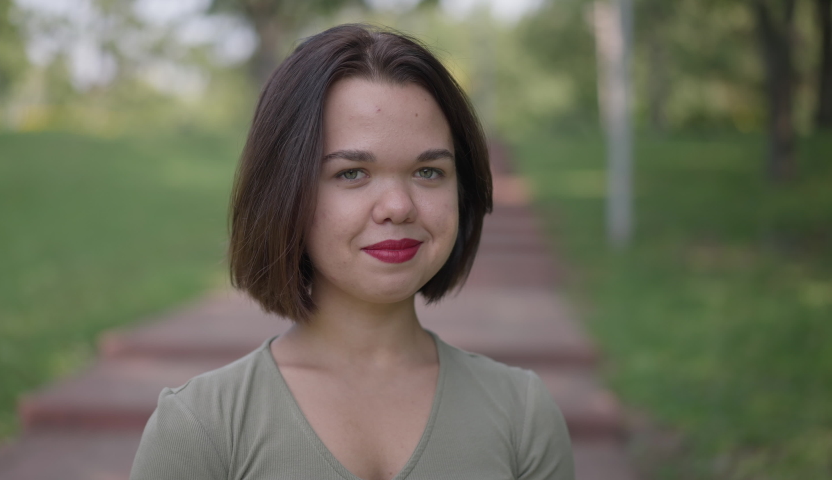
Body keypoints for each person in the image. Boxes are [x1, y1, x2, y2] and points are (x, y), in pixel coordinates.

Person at [129, 24, 575, 480]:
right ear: (284, 192)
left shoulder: (523, 415)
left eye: (427, 172)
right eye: (352, 173)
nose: (399, 207)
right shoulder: (200, 427)